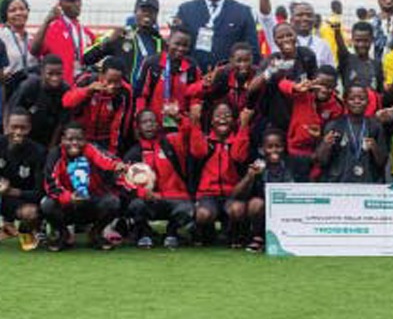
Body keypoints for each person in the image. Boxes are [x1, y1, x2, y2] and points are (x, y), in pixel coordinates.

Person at [42, 122, 126, 251]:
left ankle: (95, 234)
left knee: (113, 202)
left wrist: (117, 166)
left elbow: (105, 159)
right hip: (67, 204)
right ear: (63, 140)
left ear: (85, 140)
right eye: (70, 139)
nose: (74, 143)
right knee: (46, 204)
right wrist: (70, 197)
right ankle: (63, 235)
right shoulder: (55, 154)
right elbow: (50, 185)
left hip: (91, 201)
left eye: (79, 139)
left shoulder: (91, 149)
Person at [124, 110, 193, 250]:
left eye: (152, 121)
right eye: (144, 122)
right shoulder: (134, 153)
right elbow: (124, 182)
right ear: (138, 127)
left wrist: (178, 118)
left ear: (158, 124)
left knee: (188, 208)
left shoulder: (171, 143)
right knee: (135, 205)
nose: (149, 125)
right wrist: (143, 193)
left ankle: (172, 232)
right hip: (149, 201)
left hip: (174, 198)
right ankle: (144, 232)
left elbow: (189, 135)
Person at [175, 0, 258, 72]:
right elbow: (176, 47)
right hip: (193, 78)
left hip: (228, 81)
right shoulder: (185, 10)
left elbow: (253, 51)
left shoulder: (243, 12)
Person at [190, 103, 252, 247]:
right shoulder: (206, 141)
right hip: (208, 195)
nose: (222, 119)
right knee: (203, 214)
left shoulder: (237, 139)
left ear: (233, 120)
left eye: (227, 116)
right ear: (211, 120)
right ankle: (206, 234)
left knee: (237, 210)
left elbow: (239, 156)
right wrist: (195, 122)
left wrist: (244, 126)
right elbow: (197, 151)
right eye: (218, 116)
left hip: (232, 194)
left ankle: (234, 235)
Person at [83, 0, 163, 89]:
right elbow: (86, 58)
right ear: (135, 12)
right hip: (123, 96)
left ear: (156, 15)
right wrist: (107, 42)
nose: (147, 14)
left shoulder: (160, 42)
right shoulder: (120, 34)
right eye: (143, 10)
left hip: (147, 98)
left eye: (151, 11)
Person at [278, 66, 345, 181]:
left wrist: (320, 137)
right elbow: (281, 84)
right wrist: (295, 87)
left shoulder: (337, 107)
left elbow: (332, 134)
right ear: (314, 81)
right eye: (321, 85)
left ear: (335, 87)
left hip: (317, 153)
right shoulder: (302, 94)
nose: (324, 89)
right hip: (294, 150)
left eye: (329, 87)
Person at [234, 127, 295, 253]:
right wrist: (250, 176)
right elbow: (236, 194)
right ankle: (257, 237)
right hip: (264, 208)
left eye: (278, 146)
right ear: (262, 149)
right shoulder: (258, 165)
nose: (274, 150)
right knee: (255, 204)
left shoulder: (291, 164)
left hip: (288, 205)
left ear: (284, 147)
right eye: (270, 146)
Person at [315, 84, 387, 183]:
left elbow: (382, 162)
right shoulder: (334, 126)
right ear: (345, 101)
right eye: (352, 99)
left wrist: (374, 148)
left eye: (361, 98)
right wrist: (325, 145)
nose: (357, 101)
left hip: (368, 183)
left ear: (368, 102)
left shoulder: (375, 127)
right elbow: (321, 161)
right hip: (339, 183)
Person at [135, 25, 202, 129]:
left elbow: (196, 95)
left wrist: (195, 106)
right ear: (168, 41)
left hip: (181, 124)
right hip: (154, 125)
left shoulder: (192, 67)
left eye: (185, 46)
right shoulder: (153, 63)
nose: (180, 49)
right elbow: (141, 95)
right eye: (177, 44)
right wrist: (141, 121)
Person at [62, 57, 133, 155]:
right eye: (109, 81)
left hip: (105, 140)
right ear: (101, 75)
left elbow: (120, 125)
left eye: (117, 82)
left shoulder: (124, 92)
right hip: (80, 137)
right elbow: (66, 102)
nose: (113, 86)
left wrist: (112, 152)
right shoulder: (86, 80)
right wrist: (88, 91)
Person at [30, 0, 95, 85]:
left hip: (81, 89)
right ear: (60, 4)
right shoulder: (52, 27)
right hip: (60, 89)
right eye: (71, 0)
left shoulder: (85, 31)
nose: (77, 3)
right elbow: (34, 50)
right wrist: (47, 21)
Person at [0, 108, 46, 250]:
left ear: (30, 128)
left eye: (23, 128)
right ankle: (5, 227)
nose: (18, 132)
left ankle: (25, 230)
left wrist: (11, 191)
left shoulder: (39, 152)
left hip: (22, 200)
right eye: (14, 127)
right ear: (6, 126)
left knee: (31, 213)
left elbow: (40, 192)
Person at [7, 54, 69, 147]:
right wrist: (9, 137)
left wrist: (51, 147)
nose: (55, 78)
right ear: (42, 72)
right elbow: (10, 111)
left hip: (48, 134)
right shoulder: (30, 86)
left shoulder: (65, 90)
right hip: (25, 132)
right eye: (50, 74)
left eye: (58, 74)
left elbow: (60, 124)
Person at [0, 0, 37, 98]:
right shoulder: (1, 37)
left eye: (22, 9)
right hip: (7, 92)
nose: (19, 13)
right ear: (5, 15)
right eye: (12, 10)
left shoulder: (32, 38)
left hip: (30, 92)